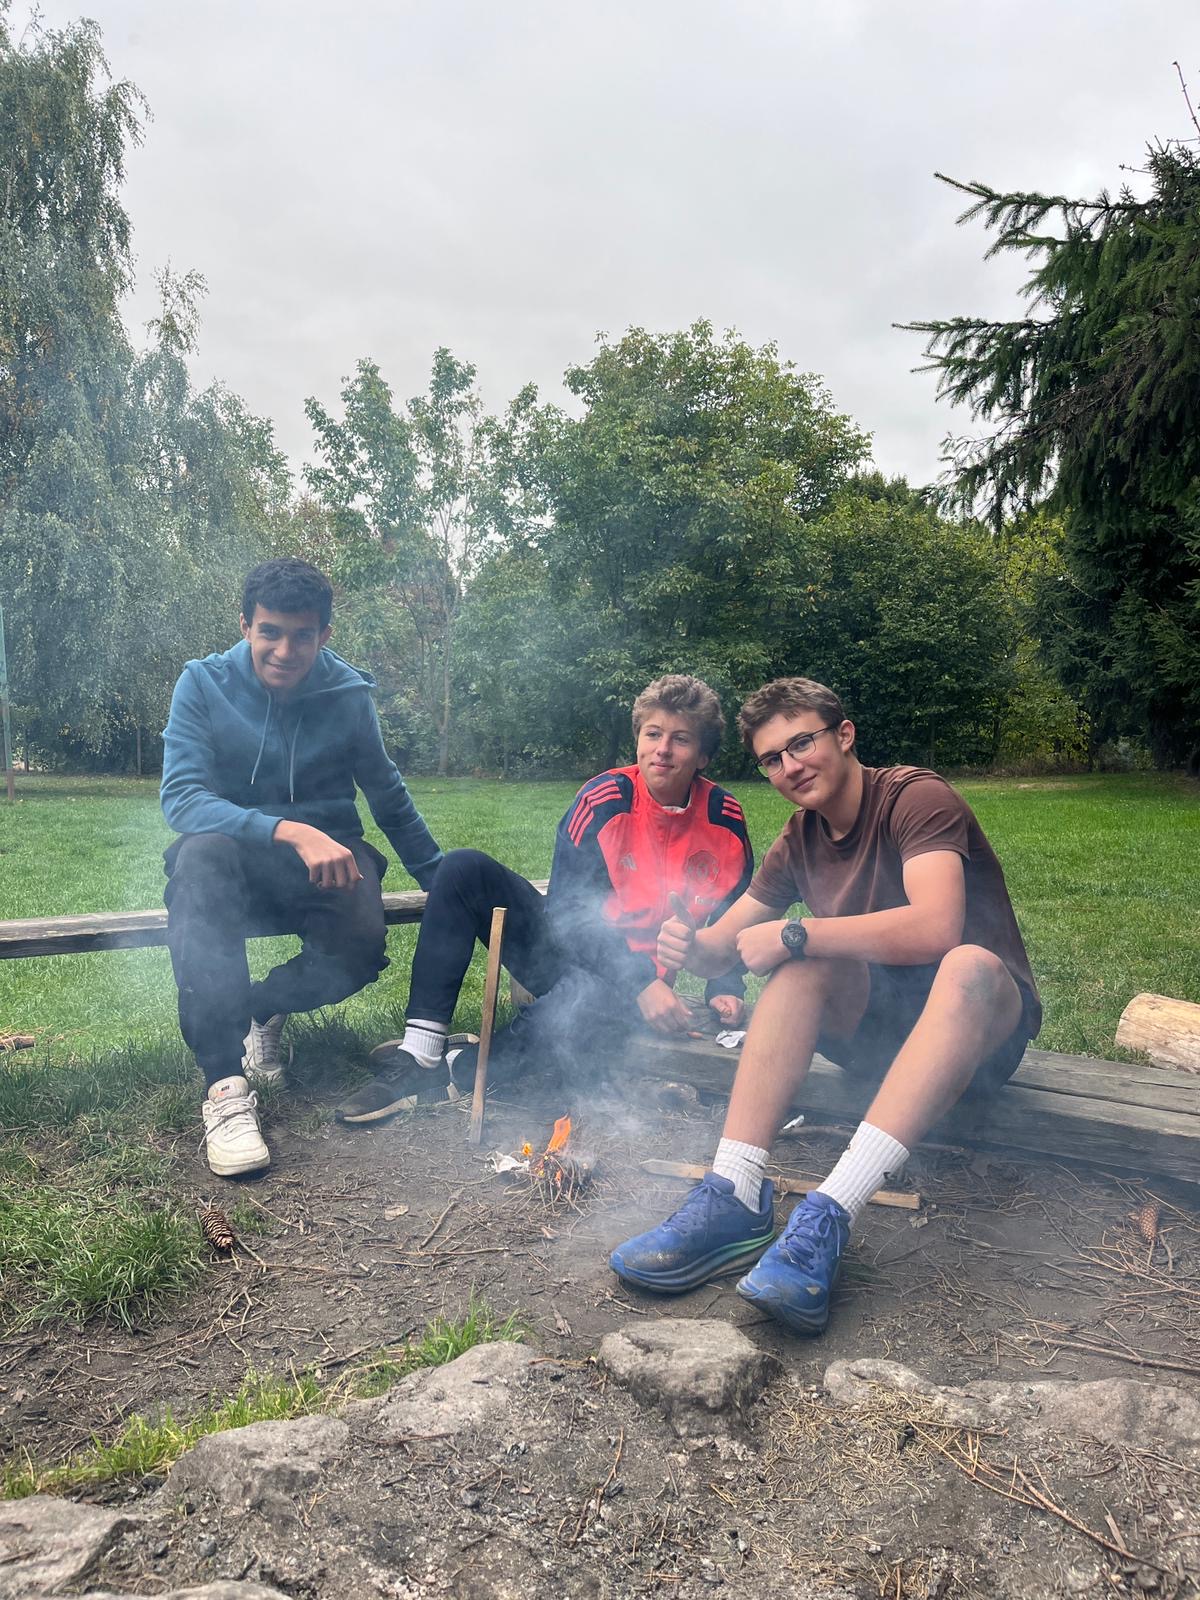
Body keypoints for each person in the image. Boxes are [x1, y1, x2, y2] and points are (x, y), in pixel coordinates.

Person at [610, 676, 1041, 1335]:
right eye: (771, 759)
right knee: (803, 966)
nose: (789, 766)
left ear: (844, 735)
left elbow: (937, 927)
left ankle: (829, 1212)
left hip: (977, 1038)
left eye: (801, 744)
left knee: (966, 965)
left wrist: (796, 933)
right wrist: (692, 945)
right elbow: (725, 945)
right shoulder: (801, 836)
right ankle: (734, 1192)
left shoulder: (914, 797)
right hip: (879, 1041)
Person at [335, 674, 753, 1123]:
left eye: (681, 739)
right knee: (462, 868)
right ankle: (419, 1052)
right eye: (653, 734)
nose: (662, 749)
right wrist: (641, 982)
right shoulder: (604, 800)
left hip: (625, 998)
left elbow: (735, 917)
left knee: (584, 1001)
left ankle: (459, 1066)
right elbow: (570, 913)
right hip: (575, 955)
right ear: (638, 739)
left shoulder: (724, 820)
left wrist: (724, 986)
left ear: (703, 755)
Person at [161, 558, 443, 1178]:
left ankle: (260, 1007)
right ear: (245, 625)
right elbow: (182, 798)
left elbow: (387, 795)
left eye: (302, 636)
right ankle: (225, 1086)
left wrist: (441, 882)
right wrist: (289, 830)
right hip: (233, 861)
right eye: (270, 632)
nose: (285, 651)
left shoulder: (347, 694)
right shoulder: (202, 684)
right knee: (199, 857)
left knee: (360, 949)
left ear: (324, 635)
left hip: (327, 862)